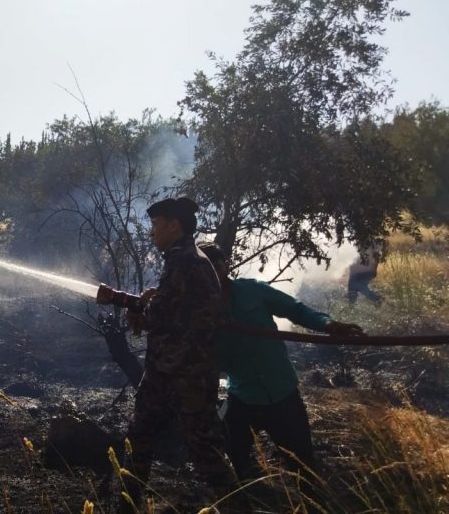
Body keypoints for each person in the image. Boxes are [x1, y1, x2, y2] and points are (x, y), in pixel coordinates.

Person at [100, 198, 232, 511]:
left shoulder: (188, 261)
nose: (152, 233)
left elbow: (160, 315)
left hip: (187, 375)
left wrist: (135, 305)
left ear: (174, 226)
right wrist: (143, 305)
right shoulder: (181, 258)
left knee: (203, 450)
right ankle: (127, 506)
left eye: (156, 225)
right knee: (139, 439)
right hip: (165, 371)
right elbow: (169, 311)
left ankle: (238, 506)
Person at [197, 242, 364, 481]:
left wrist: (329, 325)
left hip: (283, 393)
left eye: (217, 265)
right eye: (206, 268)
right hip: (243, 397)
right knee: (236, 464)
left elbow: (296, 310)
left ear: (227, 266)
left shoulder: (253, 291)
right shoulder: (196, 310)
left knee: (305, 469)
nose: (213, 273)